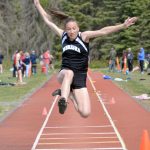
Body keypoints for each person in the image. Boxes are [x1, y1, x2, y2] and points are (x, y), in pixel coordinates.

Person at [34, 0, 137, 117]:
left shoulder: (84, 36)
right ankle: (63, 100)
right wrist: (37, 4)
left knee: (85, 113)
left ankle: (68, 94)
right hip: (64, 74)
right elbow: (48, 21)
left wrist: (123, 26)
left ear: (78, 28)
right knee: (69, 73)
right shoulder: (63, 35)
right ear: (66, 30)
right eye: (69, 29)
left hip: (79, 79)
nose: (71, 31)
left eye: (74, 28)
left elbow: (103, 31)